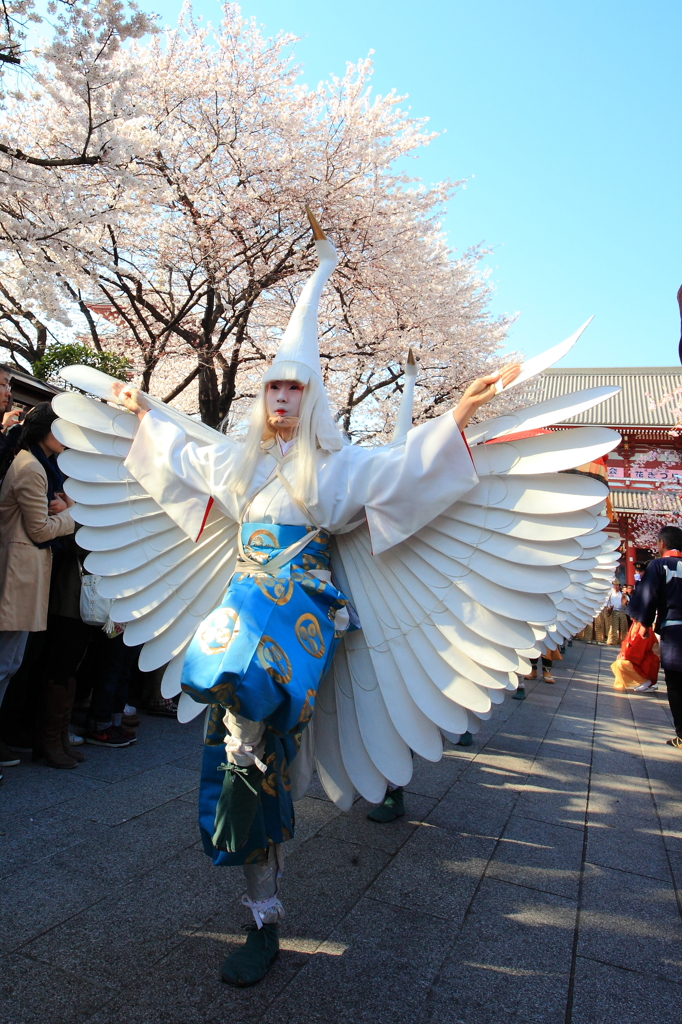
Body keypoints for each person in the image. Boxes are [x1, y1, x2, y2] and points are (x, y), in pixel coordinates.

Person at [113, 212, 520, 986]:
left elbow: (406, 469)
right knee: (243, 761)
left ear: (313, 398)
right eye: (272, 385)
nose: (281, 397)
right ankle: (260, 907)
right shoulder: (237, 468)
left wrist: (460, 413)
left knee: (257, 745)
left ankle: (259, 741)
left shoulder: (336, 474)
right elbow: (177, 451)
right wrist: (140, 411)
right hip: (241, 617)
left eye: (295, 387)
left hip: (297, 626)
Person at [0, 403, 75, 776]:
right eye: (61, 429)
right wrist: (72, 515)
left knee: (11, 663)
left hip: (27, 572)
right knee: (6, 664)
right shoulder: (32, 468)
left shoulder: (37, 465)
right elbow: (41, 530)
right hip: (18, 572)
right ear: (44, 428)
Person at [628, 525, 682, 743]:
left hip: (675, 629)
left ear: (662, 544)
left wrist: (644, 622)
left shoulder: (659, 565)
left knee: (676, 683)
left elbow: (648, 594)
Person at [611, 620, 659, 691]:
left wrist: (626, 655)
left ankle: (645, 681)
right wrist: (622, 653)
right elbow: (626, 642)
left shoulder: (644, 627)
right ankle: (642, 681)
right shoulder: (635, 624)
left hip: (647, 661)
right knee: (617, 664)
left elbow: (638, 648)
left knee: (620, 664)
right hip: (639, 657)